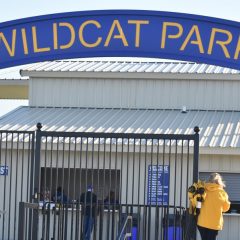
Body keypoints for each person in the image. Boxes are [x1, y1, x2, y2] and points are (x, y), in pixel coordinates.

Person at [197, 173, 231, 240]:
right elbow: (226, 208)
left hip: (202, 222)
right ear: (219, 181)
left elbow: (198, 203)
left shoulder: (203, 190)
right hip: (214, 224)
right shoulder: (222, 193)